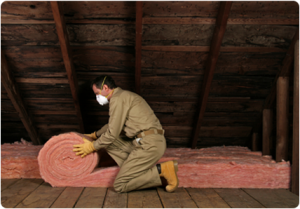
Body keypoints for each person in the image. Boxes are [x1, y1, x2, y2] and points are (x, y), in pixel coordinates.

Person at [73, 75, 179, 193]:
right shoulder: (123, 96)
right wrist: (95, 135)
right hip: (144, 141)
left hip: (149, 144)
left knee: (120, 185)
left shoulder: (118, 99)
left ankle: (162, 170)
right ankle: (132, 169)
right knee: (108, 142)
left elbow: (112, 133)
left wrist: (92, 146)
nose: (97, 97)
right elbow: (111, 126)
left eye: (97, 93)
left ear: (106, 88)